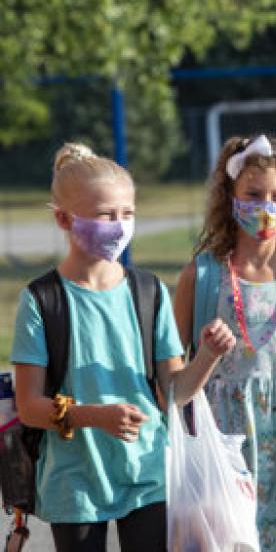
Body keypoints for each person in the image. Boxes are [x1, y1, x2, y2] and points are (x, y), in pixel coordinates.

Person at [11, 143, 236, 552]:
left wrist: (208, 354)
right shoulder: (41, 299)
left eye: (126, 214)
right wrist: (94, 416)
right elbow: (29, 406)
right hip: (73, 481)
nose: (118, 225)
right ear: (64, 218)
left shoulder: (147, 291)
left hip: (146, 472)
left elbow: (176, 393)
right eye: (104, 215)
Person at [172, 134, 276, 551]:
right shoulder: (204, 275)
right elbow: (171, 376)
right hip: (227, 440)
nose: (265, 206)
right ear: (231, 196)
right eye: (253, 194)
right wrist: (208, 353)